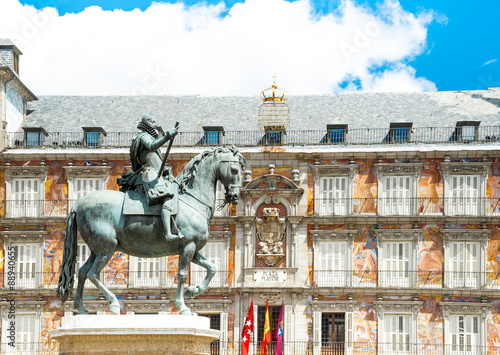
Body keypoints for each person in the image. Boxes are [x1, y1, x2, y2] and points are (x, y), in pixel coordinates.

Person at [119, 113, 182, 242]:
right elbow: (153, 146)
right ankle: (168, 234)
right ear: (147, 123)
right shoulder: (143, 136)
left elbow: (154, 160)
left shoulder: (149, 136)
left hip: (156, 174)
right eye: (152, 121)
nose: (155, 124)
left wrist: (164, 170)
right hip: (148, 176)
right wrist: (168, 135)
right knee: (167, 198)